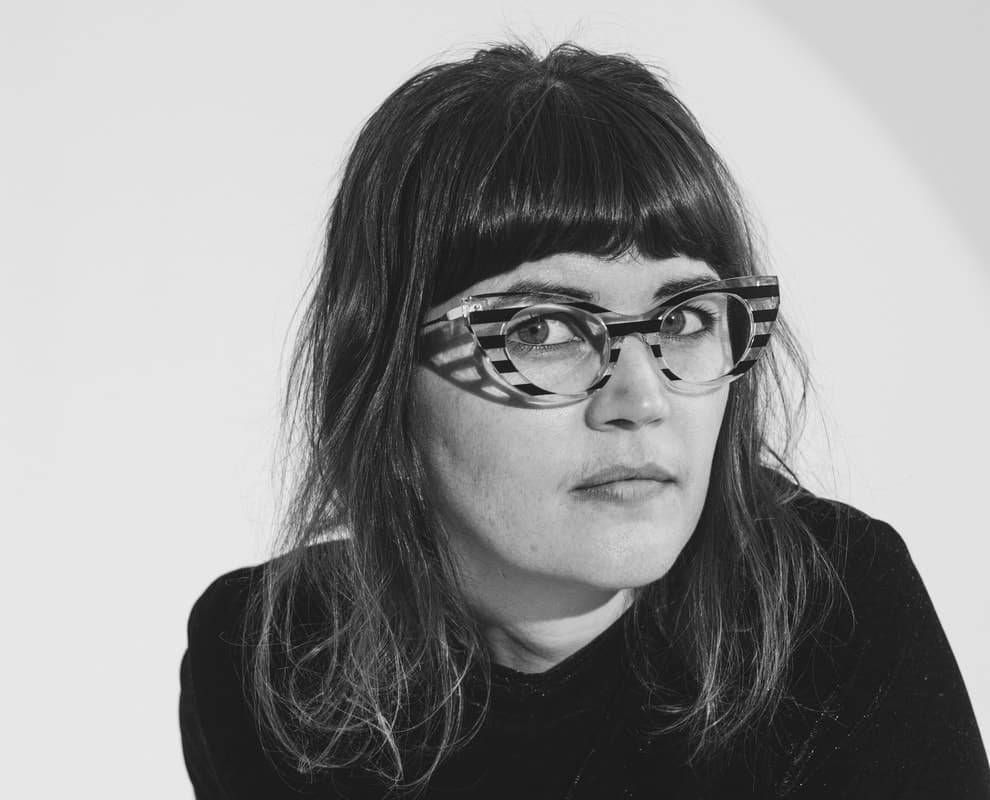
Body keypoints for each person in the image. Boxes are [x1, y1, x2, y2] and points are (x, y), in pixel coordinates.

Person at [178, 42, 990, 799]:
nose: (643, 399)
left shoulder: (834, 616)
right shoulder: (274, 666)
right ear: (385, 373)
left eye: (684, 320)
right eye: (542, 330)